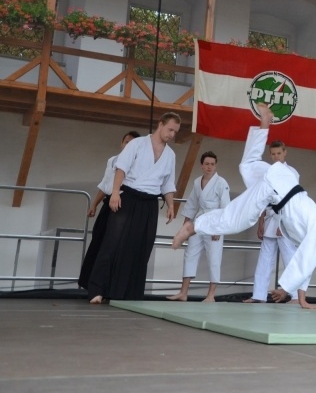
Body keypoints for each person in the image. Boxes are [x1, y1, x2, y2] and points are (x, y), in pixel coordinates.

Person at [171, 103, 316, 309]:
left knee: (247, 166)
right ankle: (193, 227)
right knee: (237, 220)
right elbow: (305, 263)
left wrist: (300, 297)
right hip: (276, 190)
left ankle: (264, 123)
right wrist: (286, 289)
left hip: (281, 180)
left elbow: (306, 265)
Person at [87, 112, 181, 303]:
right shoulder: (137, 144)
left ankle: (128, 293)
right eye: (170, 129)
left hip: (150, 203)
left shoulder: (170, 155)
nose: (172, 134)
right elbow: (121, 168)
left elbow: (167, 183)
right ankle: (98, 290)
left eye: (175, 132)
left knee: (141, 247)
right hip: (128, 197)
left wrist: (171, 205)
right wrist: (115, 192)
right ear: (160, 124)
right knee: (113, 242)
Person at [78, 130, 141, 290]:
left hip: (123, 204)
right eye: (126, 142)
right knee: (98, 238)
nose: (128, 145)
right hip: (108, 203)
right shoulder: (112, 160)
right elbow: (105, 184)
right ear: (121, 143)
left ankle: (110, 285)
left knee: (114, 244)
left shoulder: (138, 164)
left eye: (132, 144)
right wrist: (94, 204)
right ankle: (90, 282)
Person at [167, 151, 231, 303]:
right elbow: (192, 204)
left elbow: (226, 208)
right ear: (202, 165)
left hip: (215, 223)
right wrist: (186, 226)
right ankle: (183, 292)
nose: (209, 167)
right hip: (199, 222)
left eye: (212, 164)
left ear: (216, 166)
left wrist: (219, 229)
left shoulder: (221, 183)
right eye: (207, 164)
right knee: (190, 254)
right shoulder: (197, 182)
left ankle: (211, 295)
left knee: (214, 258)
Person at [243, 140, 300, 304]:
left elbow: (292, 199)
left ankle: (296, 295)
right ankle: (259, 295)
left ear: (285, 152)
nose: (276, 157)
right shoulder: (267, 173)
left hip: (285, 218)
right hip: (269, 218)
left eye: (279, 153)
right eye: (273, 154)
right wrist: (261, 221)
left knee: (290, 257)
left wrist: (283, 223)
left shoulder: (292, 172)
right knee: (264, 259)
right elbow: (262, 198)